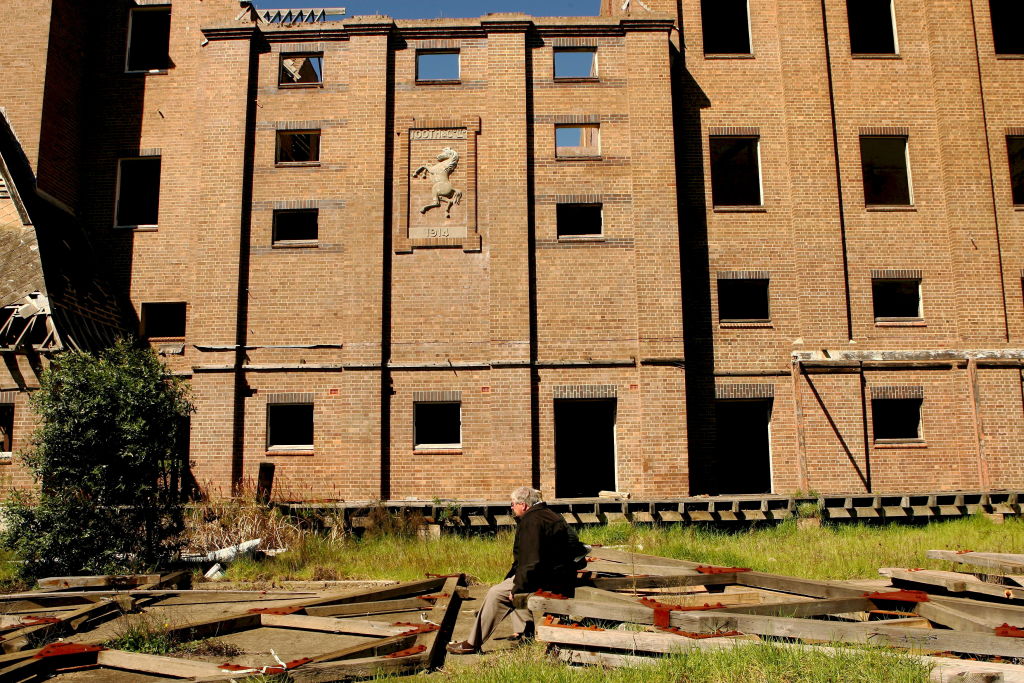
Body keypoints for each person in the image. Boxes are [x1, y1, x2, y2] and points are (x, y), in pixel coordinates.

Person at [446, 486, 588, 655]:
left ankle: (472, 643)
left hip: (548, 578)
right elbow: (574, 543)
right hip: (560, 574)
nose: (511, 507)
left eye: (513, 504)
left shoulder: (531, 521)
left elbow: (531, 561)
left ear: (524, 505)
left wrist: (518, 587)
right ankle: (525, 630)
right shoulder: (552, 515)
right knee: (514, 582)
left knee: (497, 593)